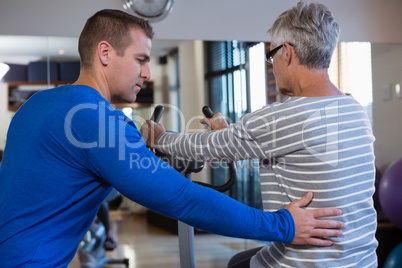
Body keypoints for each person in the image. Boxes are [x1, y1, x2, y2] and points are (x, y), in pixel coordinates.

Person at [0, 9, 345, 267]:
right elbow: (182, 199)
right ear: (105, 54)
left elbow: (78, 168)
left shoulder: (41, 104)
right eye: (140, 59)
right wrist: (282, 224)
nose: (147, 73)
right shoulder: (96, 120)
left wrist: (144, 143)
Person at [141, 1, 378, 267]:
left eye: (272, 56)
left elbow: (207, 147)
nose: (273, 65)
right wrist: (230, 134)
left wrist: (159, 138)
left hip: (307, 262)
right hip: (362, 259)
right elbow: (295, 149)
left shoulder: (286, 116)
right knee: (239, 259)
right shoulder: (354, 109)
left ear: (286, 53)